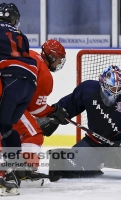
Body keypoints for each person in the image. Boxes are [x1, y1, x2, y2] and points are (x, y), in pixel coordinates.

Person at [1, 39, 69, 188]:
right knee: (33, 134)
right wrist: (53, 112)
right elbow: (35, 108)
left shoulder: (29, 54)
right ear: (50, 57)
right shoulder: (45, 75)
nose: (58, 64)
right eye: (58, 60)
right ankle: (24, 170)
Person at [0, 3, 38, 196]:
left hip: (10, 79)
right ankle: (11, 174)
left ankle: (7, 174)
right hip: (29, 83)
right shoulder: (21, 35)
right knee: (6, 127)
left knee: (3, 126)